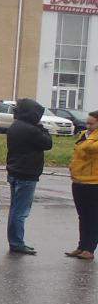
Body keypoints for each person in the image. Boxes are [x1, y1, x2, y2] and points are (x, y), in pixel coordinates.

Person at [5, 98, 54, 255]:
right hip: (27, 174)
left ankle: (14, 241)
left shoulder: (14, 126)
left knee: (14, 210)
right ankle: (17, 243)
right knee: (21, 211)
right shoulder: (32, 130)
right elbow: (48, 143)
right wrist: (43, 129)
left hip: (14, 171)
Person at [66, 110, 98, 261]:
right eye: (87, 122)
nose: (88, 126)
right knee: (82, 216)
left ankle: (90, 249)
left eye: (92, 123)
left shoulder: (91, 138)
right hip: (78, 180)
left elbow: (91, 149)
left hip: (94, 182)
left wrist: (88, 139)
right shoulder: (85, 135)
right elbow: (79, 151)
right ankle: (81, 246)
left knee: (93, 217)